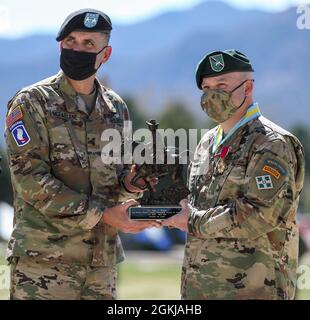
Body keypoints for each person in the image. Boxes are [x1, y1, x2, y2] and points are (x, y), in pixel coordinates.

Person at [5, 8, 159, 300]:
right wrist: (105, 215)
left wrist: (133, 184)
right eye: (70, 41)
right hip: (44, 263)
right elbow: (30, 180)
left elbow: (116, 179)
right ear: (60, 45)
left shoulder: (116, 109)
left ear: (106, 53)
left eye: (88, 44)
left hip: (101, 265)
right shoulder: (32, 102)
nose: (77, 49)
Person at [163, 49, 305, 300]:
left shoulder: (272, 143)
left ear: (248, 87)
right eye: (206, 88)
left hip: (254, 289)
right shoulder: (207, 143)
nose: (212, 95)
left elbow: (260, 214)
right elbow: (196, 206)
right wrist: (163, 210)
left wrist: (192, 221)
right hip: (201, 289)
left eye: (222, 85)